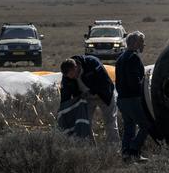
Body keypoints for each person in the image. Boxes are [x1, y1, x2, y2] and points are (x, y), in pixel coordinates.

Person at [59, 54, 118, 141]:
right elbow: (65, 94)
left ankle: (113, 146)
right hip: (86, 98)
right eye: (69, 76)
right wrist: (63, 109)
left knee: (110, 121)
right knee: (85, 123)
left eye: (72, 74)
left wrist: (92, 91)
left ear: (76, 67)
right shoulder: (67, 76)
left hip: (104, 94)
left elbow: (104, 82)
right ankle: (90, 147)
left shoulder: (92, 63)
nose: (71, 77)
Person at [114, 32, 152, 161]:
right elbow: (134, 81)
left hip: (122, 98)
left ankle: (126, 154)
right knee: (145, 125)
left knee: (129, 127)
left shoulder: (120, 58)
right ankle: (134, 151)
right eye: (142, 41)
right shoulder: (134, 58)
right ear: (135, 43)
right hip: (132, 98)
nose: (144, 44)